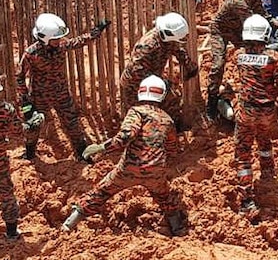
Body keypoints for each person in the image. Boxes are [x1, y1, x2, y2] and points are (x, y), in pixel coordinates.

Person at [62, 75, 187, 236]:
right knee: (166, 198)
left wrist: (101, 147)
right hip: (156, 172)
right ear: (162, 95)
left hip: (129, 169)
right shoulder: (167, 120)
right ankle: (178, 230)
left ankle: (68, 225)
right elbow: (173, 149)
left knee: (101, 192)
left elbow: (125, 137)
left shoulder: (137, 112)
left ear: (141, 92)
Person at [17, 13, 110, 161]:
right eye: (55, 39)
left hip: (61, 94)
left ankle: (81, 153)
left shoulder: (61, 45)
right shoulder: (31, 53)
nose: (59, 41)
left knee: (72, 123)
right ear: (45, 39)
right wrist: (25, 100)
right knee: (33, 126)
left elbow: (78, 41)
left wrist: (96, 32)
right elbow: (19, 77)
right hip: (40, 97)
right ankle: (29, 154)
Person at [233, 15, 278, 217]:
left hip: (245, 112)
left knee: (243, 154)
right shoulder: (274, 58)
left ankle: (247, 201)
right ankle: (267, 172)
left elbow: (233, 81)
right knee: (265, 139)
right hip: (266, 110)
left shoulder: (238, 55)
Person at [207, 0, 278, 121]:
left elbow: (262, 14)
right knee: (218, 64)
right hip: (222, 31)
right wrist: (270, 44)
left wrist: (276, 24)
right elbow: (252, 26)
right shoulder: (241, 2)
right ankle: (212, 100)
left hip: (237, 29)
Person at [119, 13, 197, 121]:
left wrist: (189, 65)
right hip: (134, 85)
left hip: (152, 79)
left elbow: (178, 49)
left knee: (171, 102)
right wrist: (160, 82)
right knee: (138, 115)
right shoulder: (147, 46)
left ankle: (173, 129)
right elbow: (136, 71)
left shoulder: (167, 38)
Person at [0, 82, 44, 240]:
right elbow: (19, 131)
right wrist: (33, 123)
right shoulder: (5, 109)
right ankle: (11, 231)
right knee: (5, 193)